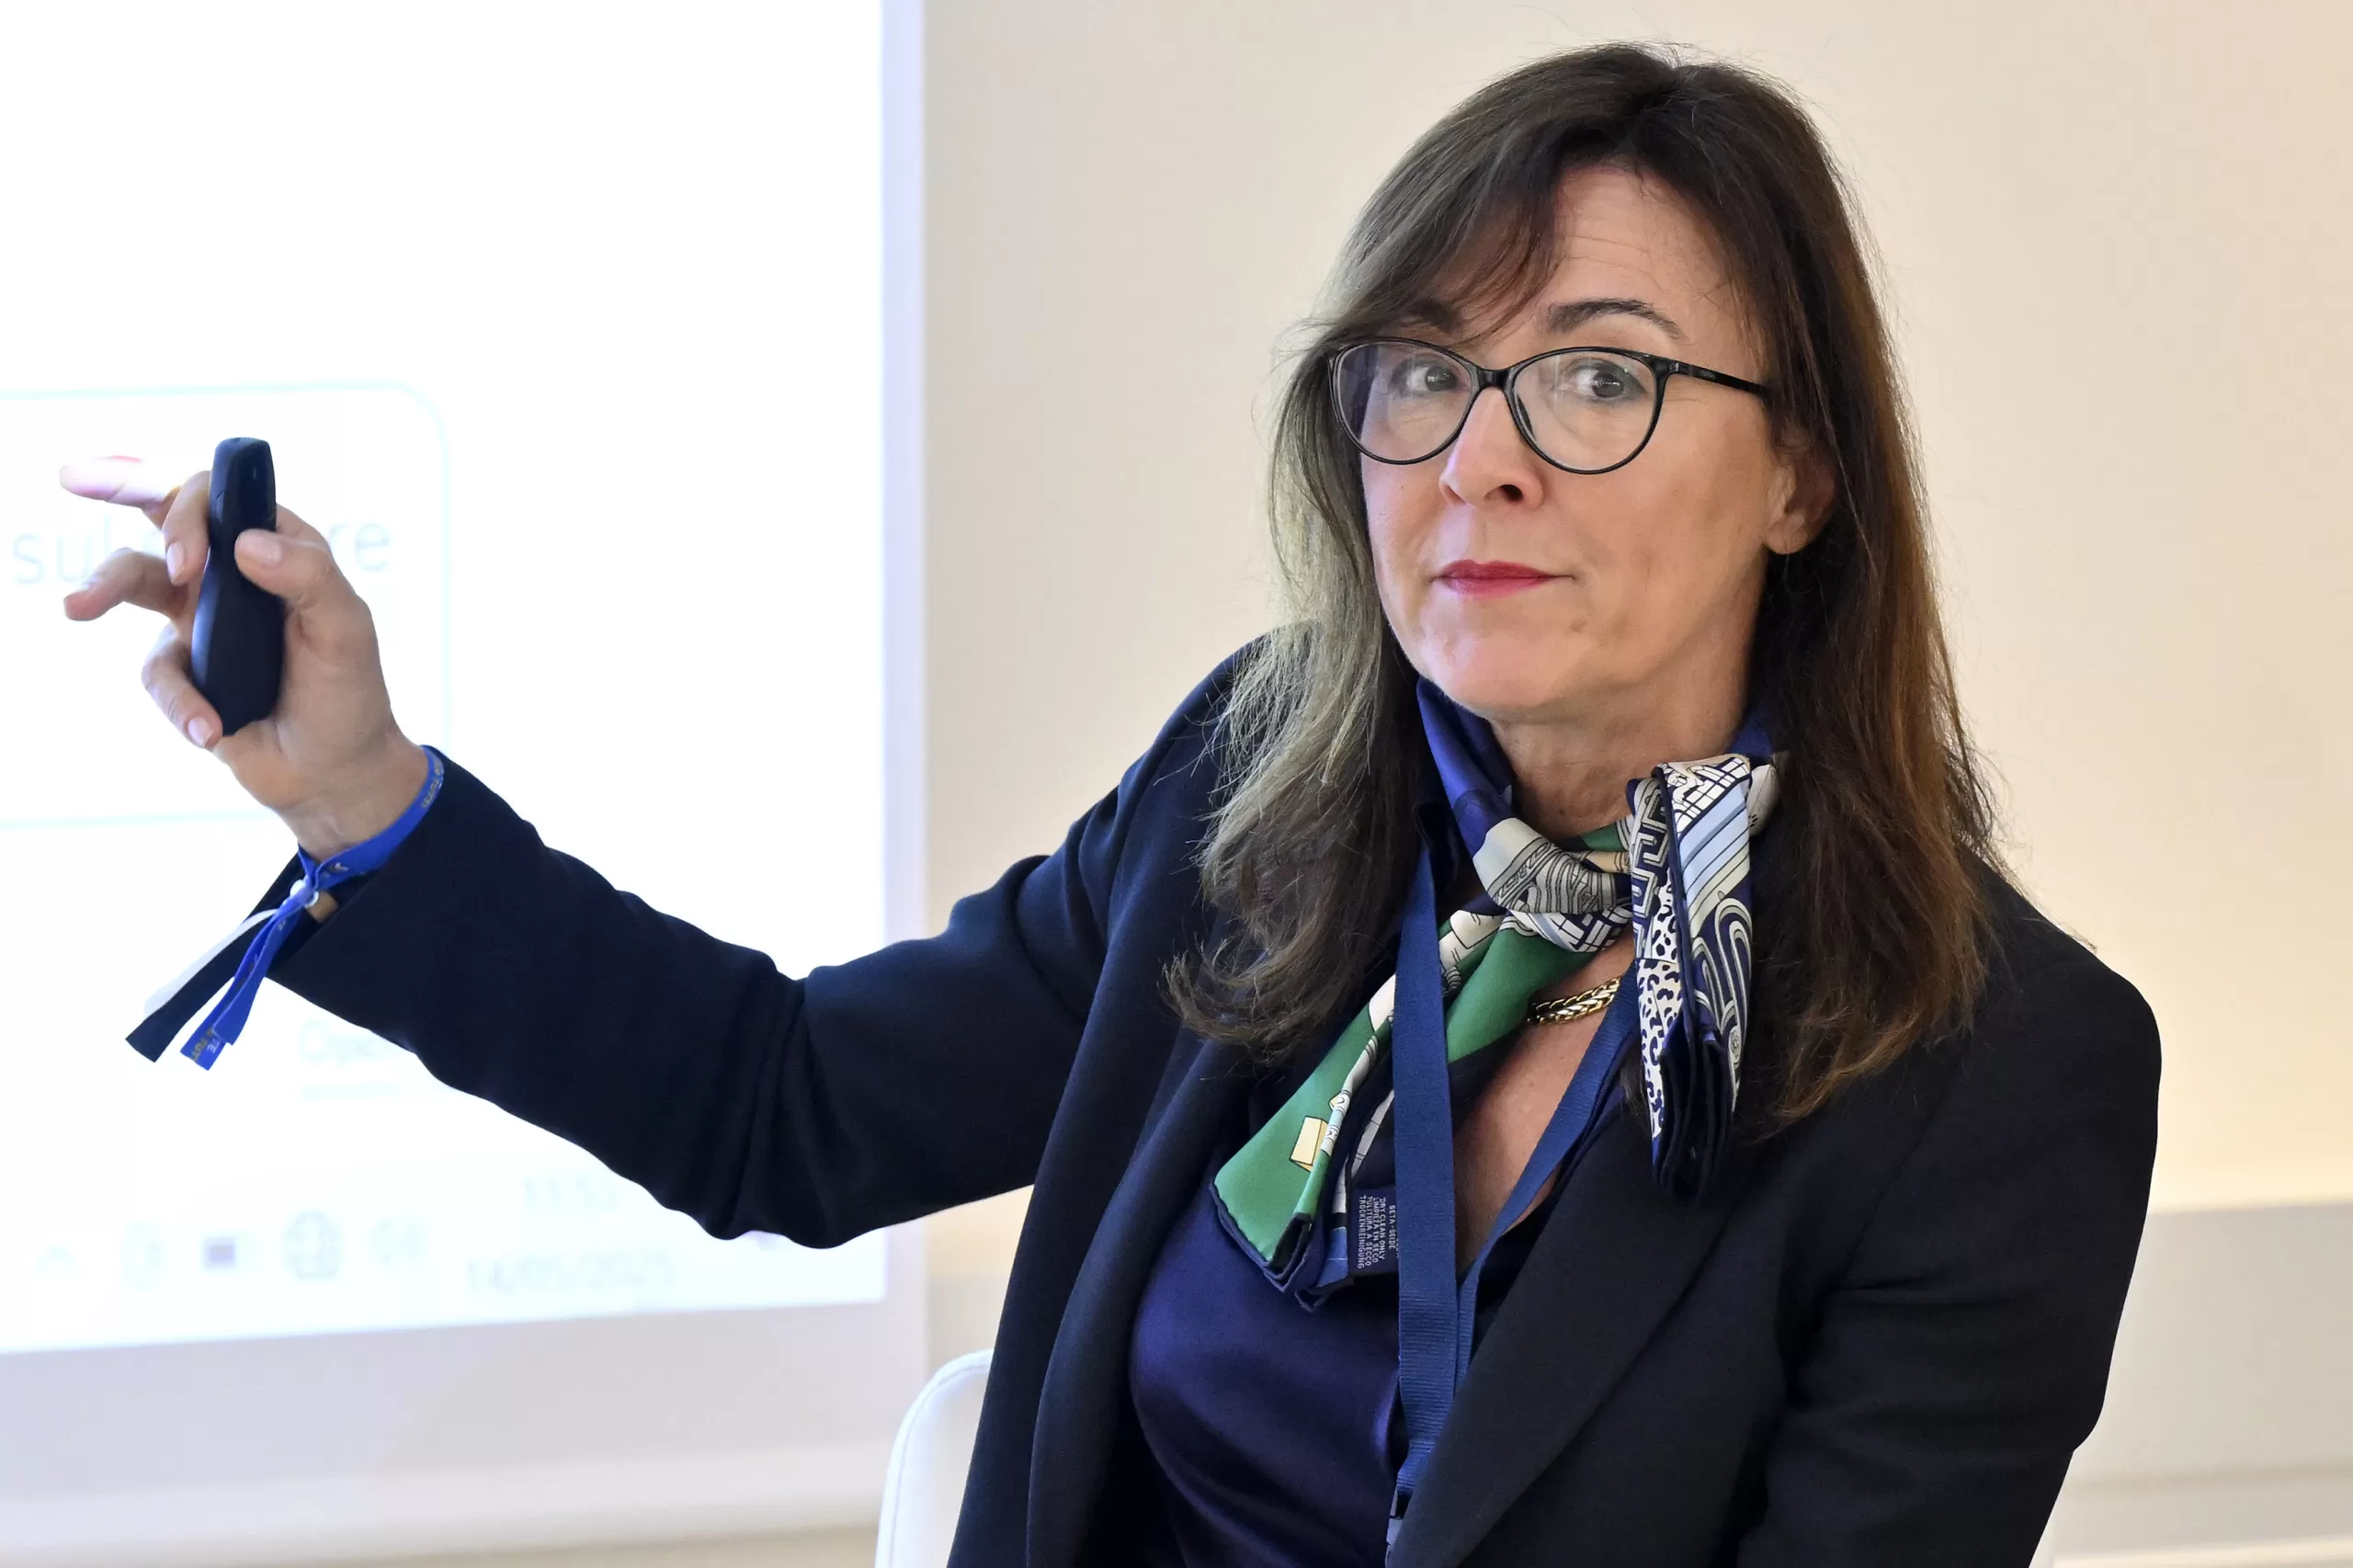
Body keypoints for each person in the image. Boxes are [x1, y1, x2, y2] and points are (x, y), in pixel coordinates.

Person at [63, 42, 2159, 1568]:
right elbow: (783, 1106)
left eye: (1600, 375)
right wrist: (360, 790)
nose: (1479, 460)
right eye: (1421, 371)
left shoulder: (1996, 1076)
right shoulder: (1255, 793)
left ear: (1802, 473)